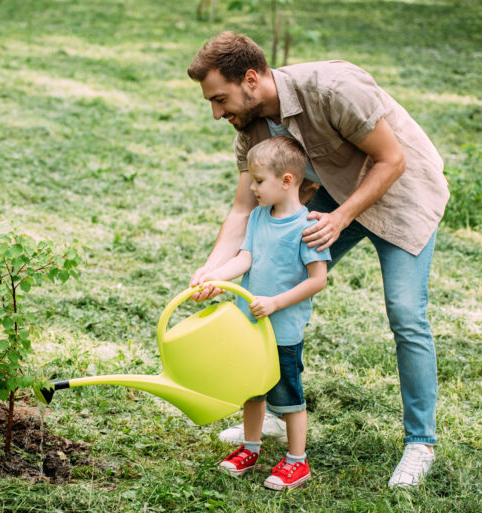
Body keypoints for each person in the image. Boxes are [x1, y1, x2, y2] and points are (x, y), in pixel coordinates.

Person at [186, 32, 448, 488]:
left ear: (250, 79)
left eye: (220, 98)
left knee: (406, 314)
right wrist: (213, 270)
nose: (216, 112)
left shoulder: (332, 88)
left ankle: (420, 443)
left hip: (401, 192)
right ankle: (273, 407)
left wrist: (342, 217)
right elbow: (243, 208)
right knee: (267, 287)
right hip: (331, 192)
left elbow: (391, 159)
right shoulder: (250, 128)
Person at [194, 136, 330, 490]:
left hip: (281, 331)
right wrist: (215, 277)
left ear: (286, 181)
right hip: (250, 327)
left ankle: (297, 462)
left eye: (258, 180)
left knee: (289, 398)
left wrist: (275, 302)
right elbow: (245, 258)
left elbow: (318, 280)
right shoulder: (257, 218)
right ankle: (250, 448)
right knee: (252, 391)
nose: (251, 187)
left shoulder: (308, 227)